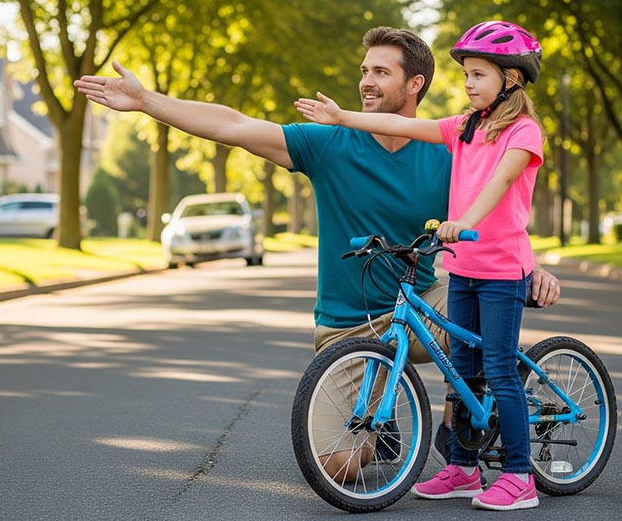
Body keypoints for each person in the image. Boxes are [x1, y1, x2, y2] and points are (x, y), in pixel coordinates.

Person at [74, 25, 560, 483]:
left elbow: (496, 205)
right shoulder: (328, 143)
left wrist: (530, 266)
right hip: (348, 326)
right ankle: (379, 422)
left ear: (415, 84)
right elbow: (234, 125)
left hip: (422, 303)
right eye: (364, 70)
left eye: (380, 72)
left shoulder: (451, 149)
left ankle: (462, 430)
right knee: (339, 466)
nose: (365, 81)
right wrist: (146, 101)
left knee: (478, 314)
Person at [295, 20, 547, 511]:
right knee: (465, 368)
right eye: (466, 75)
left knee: (497, 367)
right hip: (466, 267)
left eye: (478, 75)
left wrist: (464, 221)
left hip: (500, 269)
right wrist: (342, 117)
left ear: (511, 79)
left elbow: (500, 183)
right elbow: (404, 126)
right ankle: (463, 469)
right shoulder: (464, 127)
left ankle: (520, 476)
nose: (468, 84)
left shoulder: (524, 131)